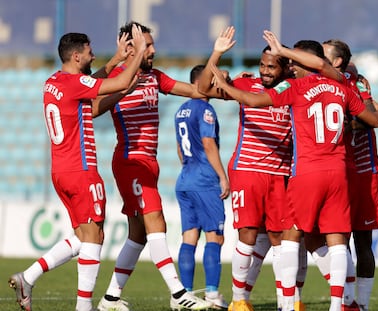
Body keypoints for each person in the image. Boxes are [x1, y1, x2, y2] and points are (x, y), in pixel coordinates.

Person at [208, 30, 378, 311]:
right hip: (338, 172)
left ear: (307, 63)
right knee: (338, 240)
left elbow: (253, 101)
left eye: (294, 62)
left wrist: (226, 86)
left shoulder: (297, 87)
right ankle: (340, 304)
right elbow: (374, 120)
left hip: (307, 171)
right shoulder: (344, 88)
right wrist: (376, 110)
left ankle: (287, 305)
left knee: (290, 234)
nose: (291, 67)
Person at [8, 25, 146, 311]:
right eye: (89, 52)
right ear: (75, 56)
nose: (93, 55)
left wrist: (115, 60)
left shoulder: (55, 82)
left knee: (84, 236)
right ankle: (84, 307)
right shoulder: (74, 84)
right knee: (94, 237)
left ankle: (28, 277)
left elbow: (90, 98)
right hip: (81, 170)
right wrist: (138, 52)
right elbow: (117, 85)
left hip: (60, 172)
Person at [94, 21, 216, 311]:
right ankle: (178, 294)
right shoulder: (117, 77)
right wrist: (123, 90)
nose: (154, 50)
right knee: (156, 222)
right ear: (130, 48)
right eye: (147, 45)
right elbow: (94, 108)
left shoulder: (154, 77)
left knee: (138, 234)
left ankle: (110, 298)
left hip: (149, 162)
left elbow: (197, 91)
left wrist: (224, 81)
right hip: (131, 160)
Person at [198, 26, 307, 311]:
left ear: (284, 68)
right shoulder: (246, 85)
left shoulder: (293, 90)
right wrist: (217, 52)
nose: (265, 71)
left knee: (280, 238)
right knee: (247, 233)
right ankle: (239, 300)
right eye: (261, 65)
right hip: (247, 170)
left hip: (281, 174)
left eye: (271, 66)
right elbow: (202, 87)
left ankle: (290, 300)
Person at [323, 39, 378, 311]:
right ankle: (346, 300)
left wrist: (350, 121)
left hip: (364, 171)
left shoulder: (356, 84)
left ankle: (362, 304)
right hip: (337, 170)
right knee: (337, 239)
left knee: (361, 240)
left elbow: (371, 118)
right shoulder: (325, 85)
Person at [174, 64, 230, 309]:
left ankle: (183, 295)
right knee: (214, 237)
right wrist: (222, 176)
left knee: (189, 237)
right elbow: (208, 143)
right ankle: (212, 294)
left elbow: (179, 148)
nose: (219, 85)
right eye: (216, 80)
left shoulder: (180, 110)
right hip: (205, 180)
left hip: (185, 178)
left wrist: (190, 169)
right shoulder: (205, 109)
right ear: (201, 82)